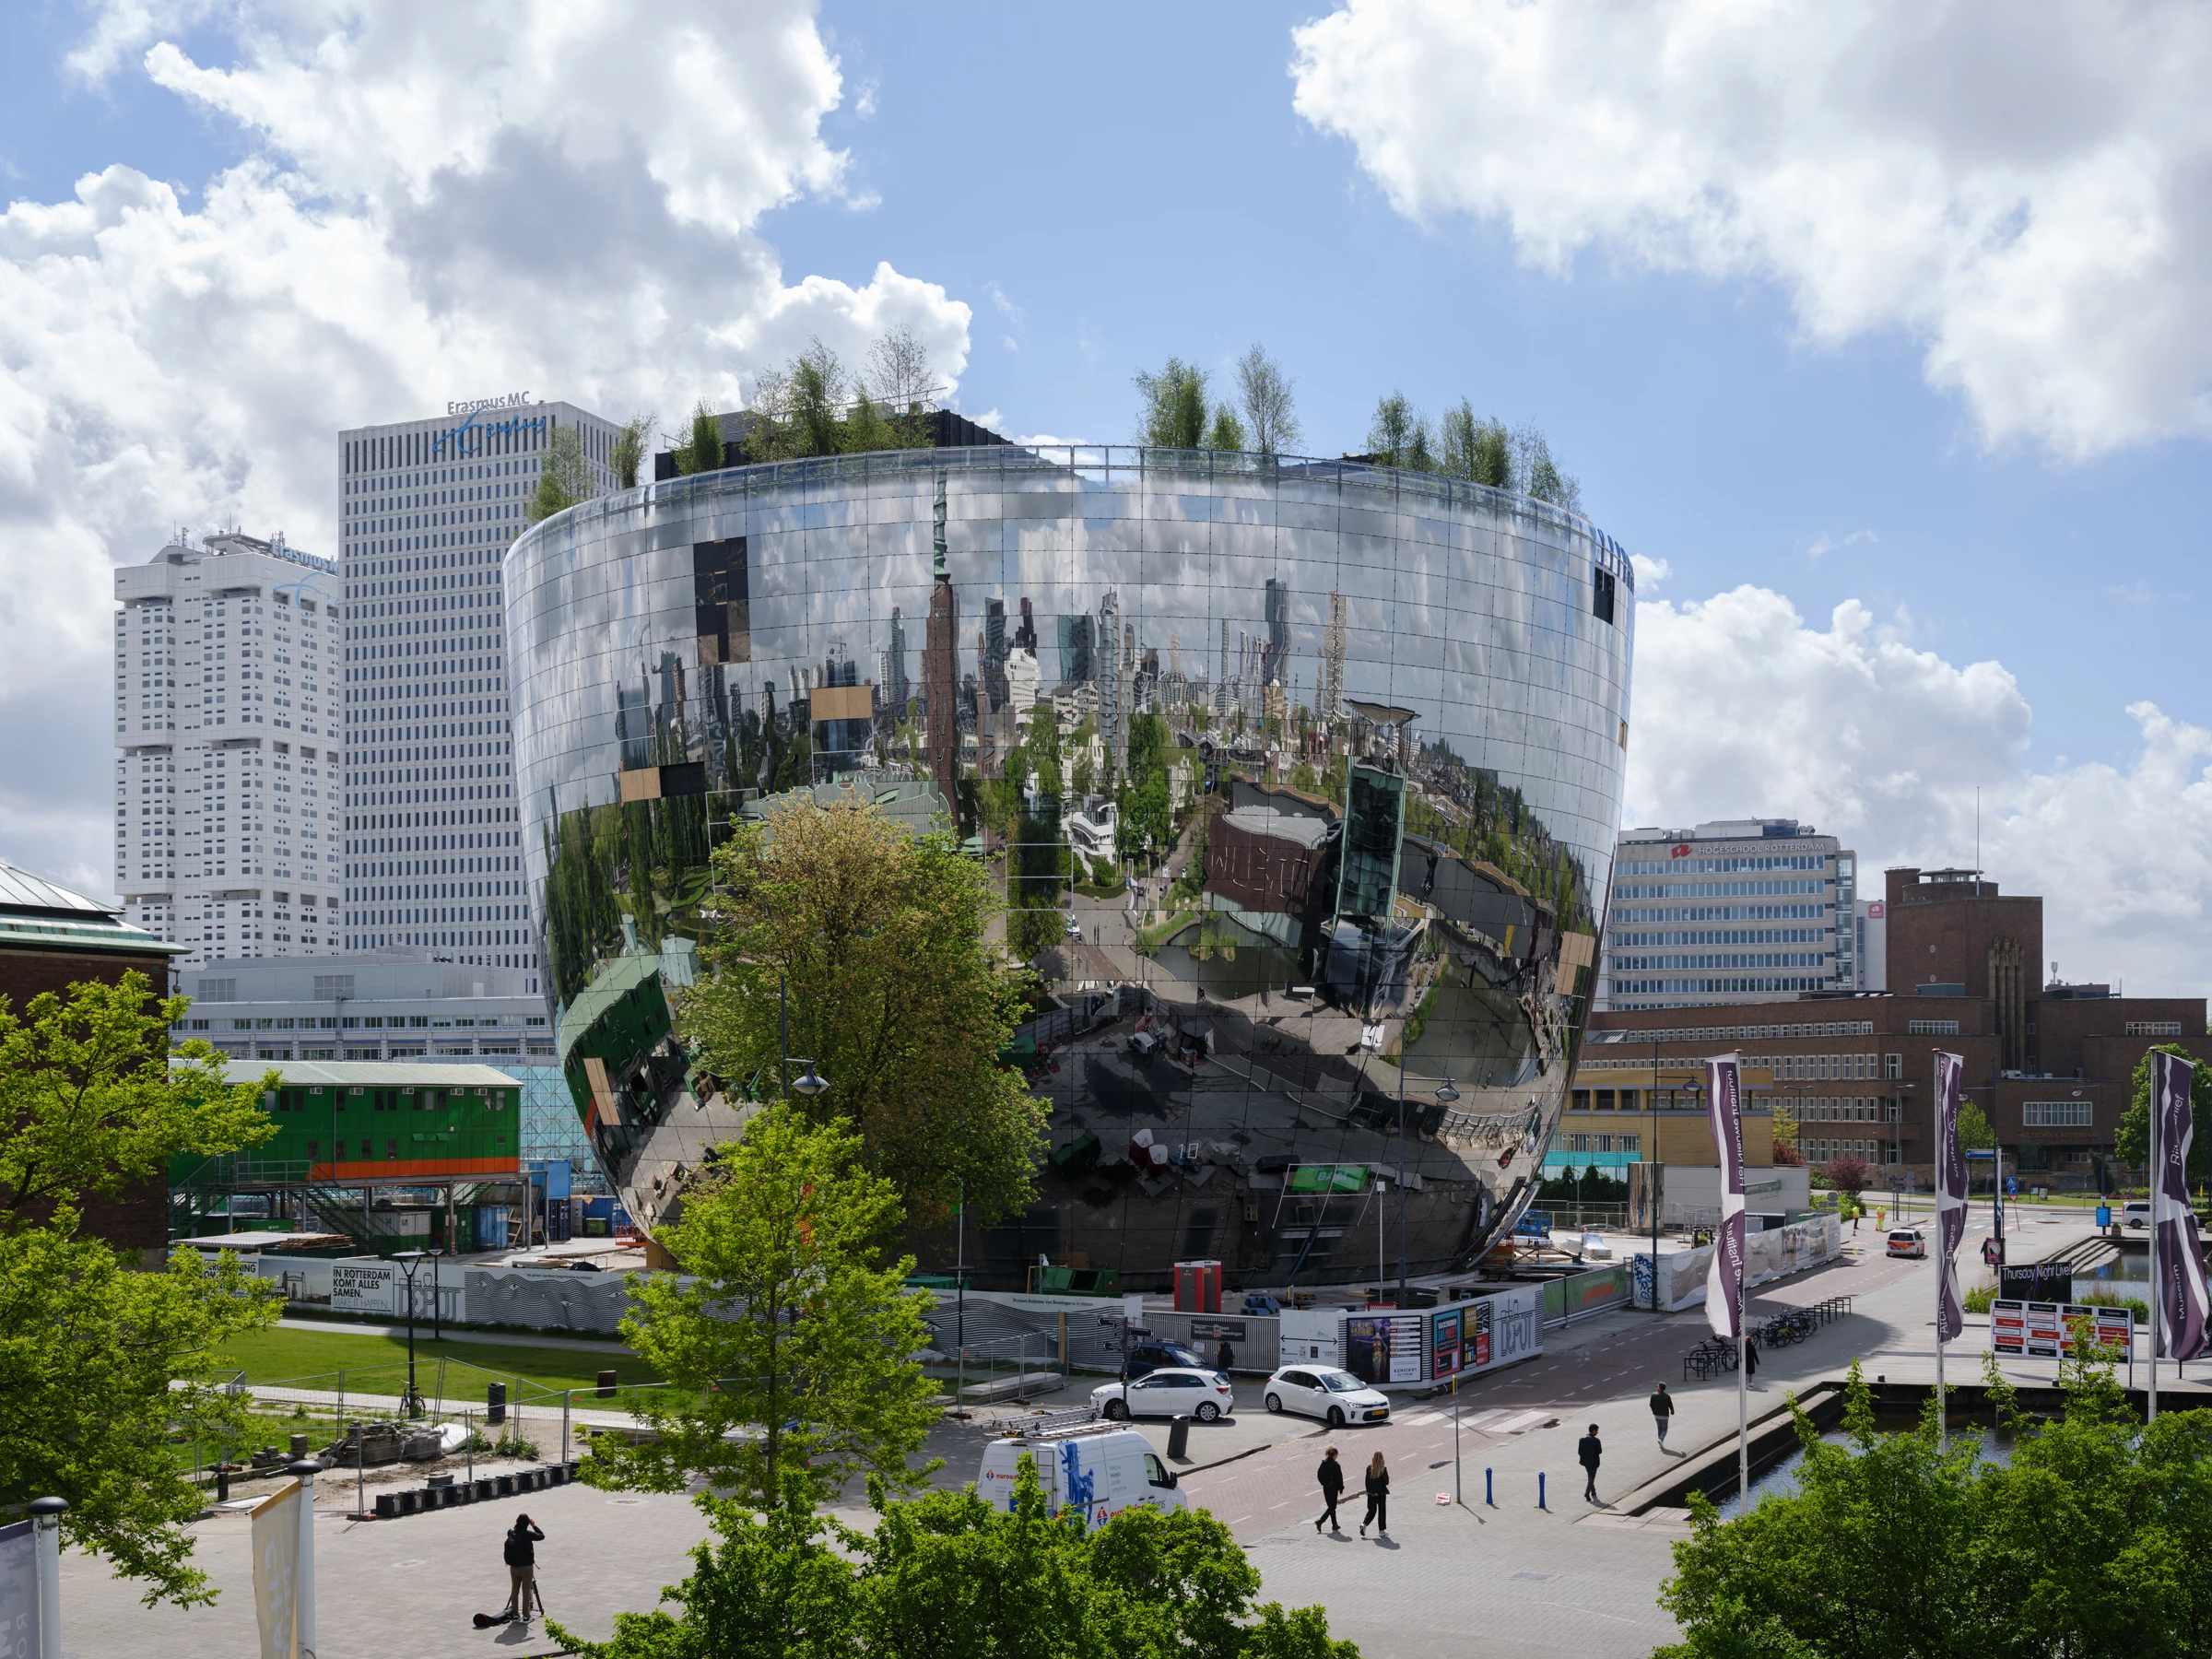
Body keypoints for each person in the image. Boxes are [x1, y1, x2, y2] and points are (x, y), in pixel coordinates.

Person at [502, 1513, 544, 1625]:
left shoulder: (510, 1532)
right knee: (526, 1590)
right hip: (526, 1567)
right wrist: (534, 1525)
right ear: (528, 1523)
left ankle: (515, 1615)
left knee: (515, 1590)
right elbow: (541, 1536)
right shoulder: (527, 1534)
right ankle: (526, 1616)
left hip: (513, 1566)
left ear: (516, 1520)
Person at [1314, 1446, 1345, 1533]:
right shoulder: (1335, 1465)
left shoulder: (1323, 1463)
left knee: (1331, 1506)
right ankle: (1320, 1521)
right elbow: (1339, 1478)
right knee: (1333, 1506)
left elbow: (1319, 1475)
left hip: (1326, 1487)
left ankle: (1334, 1524)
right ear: (1334, 1454)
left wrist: (1323, 1483)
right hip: (1333, 1488)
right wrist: (1341, 1488)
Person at [1359, 1451, 1389, 1537]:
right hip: (1380, 1494)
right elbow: (1386, 1482)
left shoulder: (1369, 1468)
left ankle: (1364, 1525)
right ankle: (1381, 1530)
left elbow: (1366, 1481)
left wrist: (1368, 1491)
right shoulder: (1383, 1469)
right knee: (1382, 1511)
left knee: (1371, 1511)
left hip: (1371, 1494)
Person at [1578, 1423, 1603, 1503]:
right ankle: (1587, 1493)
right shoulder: (1596, 1440)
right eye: (1597, 1431)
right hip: (1594, 1462)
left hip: (1585, 1462)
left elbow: (1579, 1452)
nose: (1597, 1432)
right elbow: (1599, 1451)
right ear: (1593, 1431)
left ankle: (1593, 1492)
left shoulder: (1582, 1439)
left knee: (1590, 1476)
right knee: (1591, 1478)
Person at [1649, 1382, 1676, 1450]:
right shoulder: (1667, 1396)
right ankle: (1661, 1440)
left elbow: (1651, 1405)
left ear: (1659, 1388)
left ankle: (1660, 1443)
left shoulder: (1653, 1395)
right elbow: (1670, 1405)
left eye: (1657, 1386)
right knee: (1665, 1429)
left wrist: (1654, 1411)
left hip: (1657, 1415)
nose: (1656, 1387)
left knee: (1659, 1428)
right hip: (1664, 1415)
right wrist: (1672, 1411)